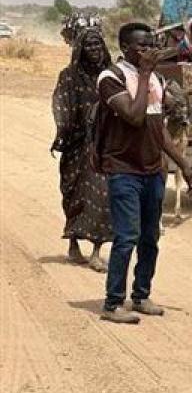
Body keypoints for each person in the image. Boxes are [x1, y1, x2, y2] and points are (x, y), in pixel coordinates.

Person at [95, 22, 192, 324]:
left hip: (153, 171)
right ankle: (113, 302)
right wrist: (142, 75)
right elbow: (134, 116)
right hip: (124, 170)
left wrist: (183, 163)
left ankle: (141, 296)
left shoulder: (156, 78)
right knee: (127, 237)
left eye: (153, 45)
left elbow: (158, 128)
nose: (150, 52)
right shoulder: (111, 78)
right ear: (126, 48)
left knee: (150, 238)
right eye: (143, 47)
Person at [51, 27, 114, 272]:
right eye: (89, 46)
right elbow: (62, 108)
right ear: (80, 49)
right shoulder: (68, 76)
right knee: (73, 193)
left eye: (98, 45)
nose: (95, 50)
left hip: (103, 146)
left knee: (101, 195)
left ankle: (97, 251)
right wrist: (62, 134)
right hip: (75, 145)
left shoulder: (109, 75)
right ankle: (74, 245)